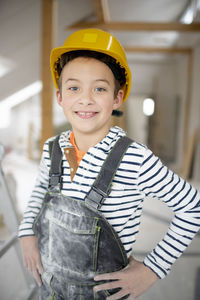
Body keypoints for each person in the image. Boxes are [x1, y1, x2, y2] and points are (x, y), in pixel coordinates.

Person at [19, 28, 200, 300]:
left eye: (100, 88)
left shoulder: (134, 159)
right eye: (74, 87)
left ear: (117, 98)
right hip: (52, 287)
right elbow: (39, 193)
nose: (86, 99)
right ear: (60, 97)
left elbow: (192, 207)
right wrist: (26, 234)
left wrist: (152, 269)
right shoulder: (52, 148)